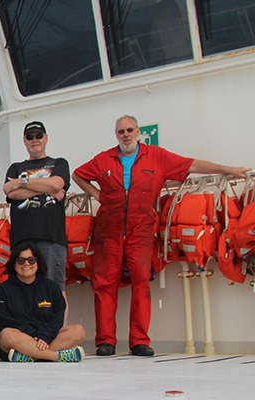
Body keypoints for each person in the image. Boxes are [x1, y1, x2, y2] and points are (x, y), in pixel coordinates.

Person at [72, 115, 251, 357]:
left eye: (130, 130)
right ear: (116, 135)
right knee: (105, 286)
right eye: (121, 131)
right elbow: (78, 174)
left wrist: (228, 169)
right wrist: (96, 194)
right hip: (108, 230)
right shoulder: (104, 158)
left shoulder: (157, 156)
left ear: (138, 132)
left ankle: (139, 341)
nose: (125, 134)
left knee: (142, 283)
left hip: (142, 228)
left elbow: (192, 165)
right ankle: (105, 341)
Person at [3, 121, 70, 320]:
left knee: (56, 288)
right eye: (30, 137)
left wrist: (22, 182)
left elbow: (58, 182)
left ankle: (59, 336)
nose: (35, 140)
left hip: (52, 236)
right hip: (22, 238)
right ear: (24, 141)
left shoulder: (59, 163)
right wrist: (48, 187)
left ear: (46, 138)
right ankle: (30, 335)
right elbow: (11, 193)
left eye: (38, 136)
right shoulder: (16, 167)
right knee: (23, 289)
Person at [0, 242, 86, 363]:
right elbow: (3, 320)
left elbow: (58, 317)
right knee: (6, 335)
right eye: (21, 260)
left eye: (31, 260)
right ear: (14, 265)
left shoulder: (51, 287)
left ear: (38, 264)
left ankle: (28, 355)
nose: (26, 263)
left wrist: (45, 335)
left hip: (45, 338)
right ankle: (56, 356)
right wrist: (32, 337)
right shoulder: (2, 290)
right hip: (19, 338)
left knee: (78, 331)